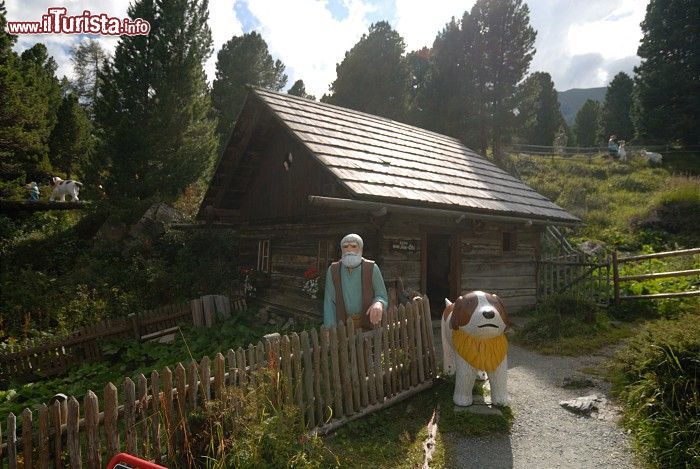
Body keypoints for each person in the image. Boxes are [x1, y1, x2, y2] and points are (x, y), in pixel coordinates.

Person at [323, 233, 389, 330]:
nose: (349, 250)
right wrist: (329, 328)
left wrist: (379, 303)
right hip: (342, 326)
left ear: (361, 249)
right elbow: (329, 301)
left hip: (368, 325)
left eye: (354, 246)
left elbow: (382, 295)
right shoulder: (333, 270)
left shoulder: (372, 268)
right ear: (342, 250)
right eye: (345, 247)